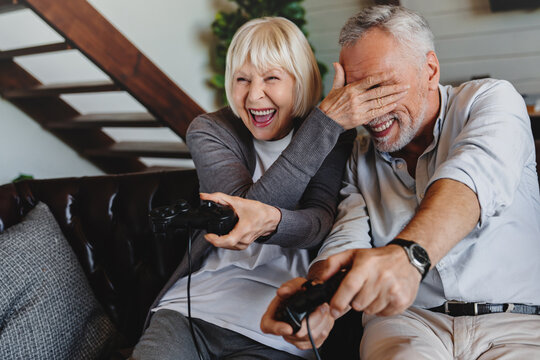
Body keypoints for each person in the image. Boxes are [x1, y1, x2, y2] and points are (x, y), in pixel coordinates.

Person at [261, 5, 540, 359]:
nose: (369, 111)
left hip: (516, 323)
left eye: (381, 86)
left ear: (430, 70)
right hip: (408, 323)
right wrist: (317, 297)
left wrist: (409, 257)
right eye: (355, 91)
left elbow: (472, 179)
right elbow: (347, 235)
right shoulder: (359, 154)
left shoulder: (490, 100)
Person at [131, 16, 408, 360]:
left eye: (271, 78)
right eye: (242, 79)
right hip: (195, 310)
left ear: (300, 81)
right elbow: (241, 215)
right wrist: (324, 126)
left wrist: (325, 126)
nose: (254, 95)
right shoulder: (210, 130)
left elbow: (319, 223)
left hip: (274, 322)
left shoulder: (334, 134)